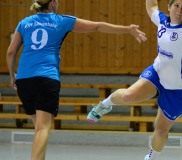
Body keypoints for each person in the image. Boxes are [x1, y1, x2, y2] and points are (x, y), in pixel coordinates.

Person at [87, 0, 182, 159]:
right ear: (169, 7)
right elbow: (151, 6)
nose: (180, 10)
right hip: (158, 73)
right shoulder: (162, 20)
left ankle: (152, 157)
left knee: (161, 129)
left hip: (180, 88)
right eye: (176, 5)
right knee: (129, 96)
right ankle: (104, 105)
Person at [6, 0, 147, 160]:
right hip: (45, 78)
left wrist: (12, 76)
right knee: (43, 128)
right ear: (52, 3)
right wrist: (128, 29)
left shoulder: (24, 22)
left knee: (40, 127)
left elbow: (11, 51)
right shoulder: (60, 20)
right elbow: (97, 26)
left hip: (24, 80)